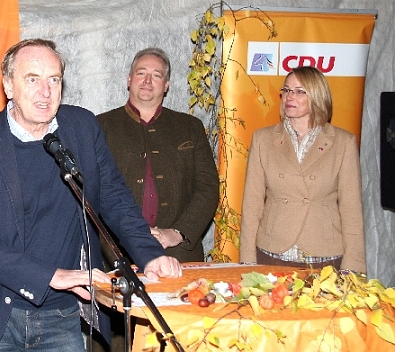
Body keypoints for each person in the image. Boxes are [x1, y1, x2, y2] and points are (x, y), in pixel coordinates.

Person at [0, 39, 182, 352]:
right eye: (33, 79)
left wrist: (150, 254)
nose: (45, 92)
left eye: (54, 80)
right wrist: (50, 276)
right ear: (8, 85)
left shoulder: (82, 127)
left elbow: (114, 198)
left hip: (61, 315)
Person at [97, 47, 219, 264]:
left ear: (166, 85)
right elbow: (90, 191)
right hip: (116, 254)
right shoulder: (100, 126)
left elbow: (208, 187)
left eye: (156, 75)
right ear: (129, 79)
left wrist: (178, 232)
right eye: (141, 73)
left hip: (179, 253)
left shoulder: (190, 127)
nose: (147, 81)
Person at [239, 66, 366, 273]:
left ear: (317, 96)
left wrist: (353, 268)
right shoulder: (263, 139)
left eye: (299, 92)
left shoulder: (343, 143)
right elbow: (251, 206)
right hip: (272, 254)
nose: (290, 97)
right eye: (286, 90)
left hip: (324, 258)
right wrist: (247, 261)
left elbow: (351, 211)